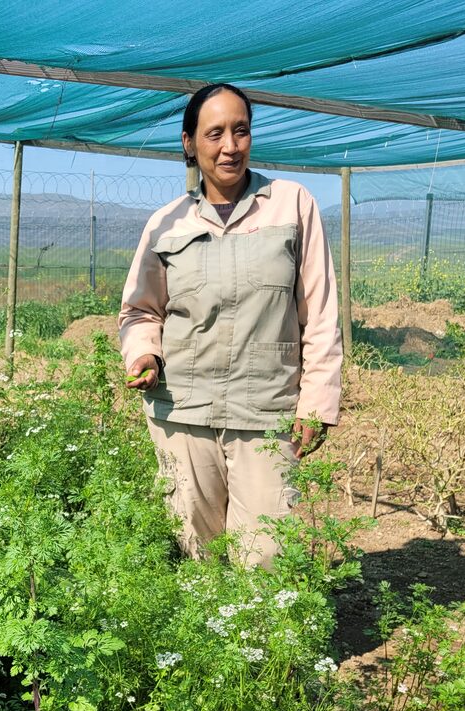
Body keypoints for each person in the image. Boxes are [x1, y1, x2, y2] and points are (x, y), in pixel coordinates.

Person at [117, 83, 342, 566]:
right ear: (189, 143)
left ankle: (258, 644)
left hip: (266, 408)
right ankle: (201, 642)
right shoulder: (167, 223)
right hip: (182, 409)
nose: (230, 146)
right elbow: (140, 310)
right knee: (195, 551)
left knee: (265, 555)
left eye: (240, 131)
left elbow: (320, 312)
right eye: (214, 133)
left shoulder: (291, 205)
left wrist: (317, 403)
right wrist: (143, 353)